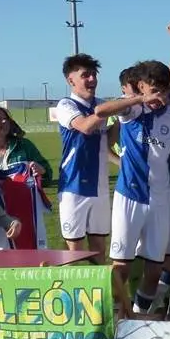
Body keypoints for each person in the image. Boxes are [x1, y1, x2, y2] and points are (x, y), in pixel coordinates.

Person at [93, 60, 170, 314]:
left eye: (163, 89)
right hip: (129, 198)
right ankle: (111, 316)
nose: (159, 94)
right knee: (121, 268)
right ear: (141, 86)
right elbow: (101, 111)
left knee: (153, 270)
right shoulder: (132, 112)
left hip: (159, 201)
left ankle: (138, 318)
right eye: (153, 88)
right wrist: (137, 100)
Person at [55, 53, 111, 264]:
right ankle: (73, 296)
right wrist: (108, 110)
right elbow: (86, 127)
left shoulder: (102, 104)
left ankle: (98, 297)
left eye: (94, 74)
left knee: (99, 252)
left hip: (100, 187)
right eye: (85, 75)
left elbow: (106, 139)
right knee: (74, 254)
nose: (92, 79)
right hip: (74, 187)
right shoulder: (66, 105)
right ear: (71, 80)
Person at [0, 106, 51, 181]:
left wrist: (42, 171)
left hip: (21, 192)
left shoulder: (24, 145)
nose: (4, 121)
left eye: (5, 118)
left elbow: (48, 175)